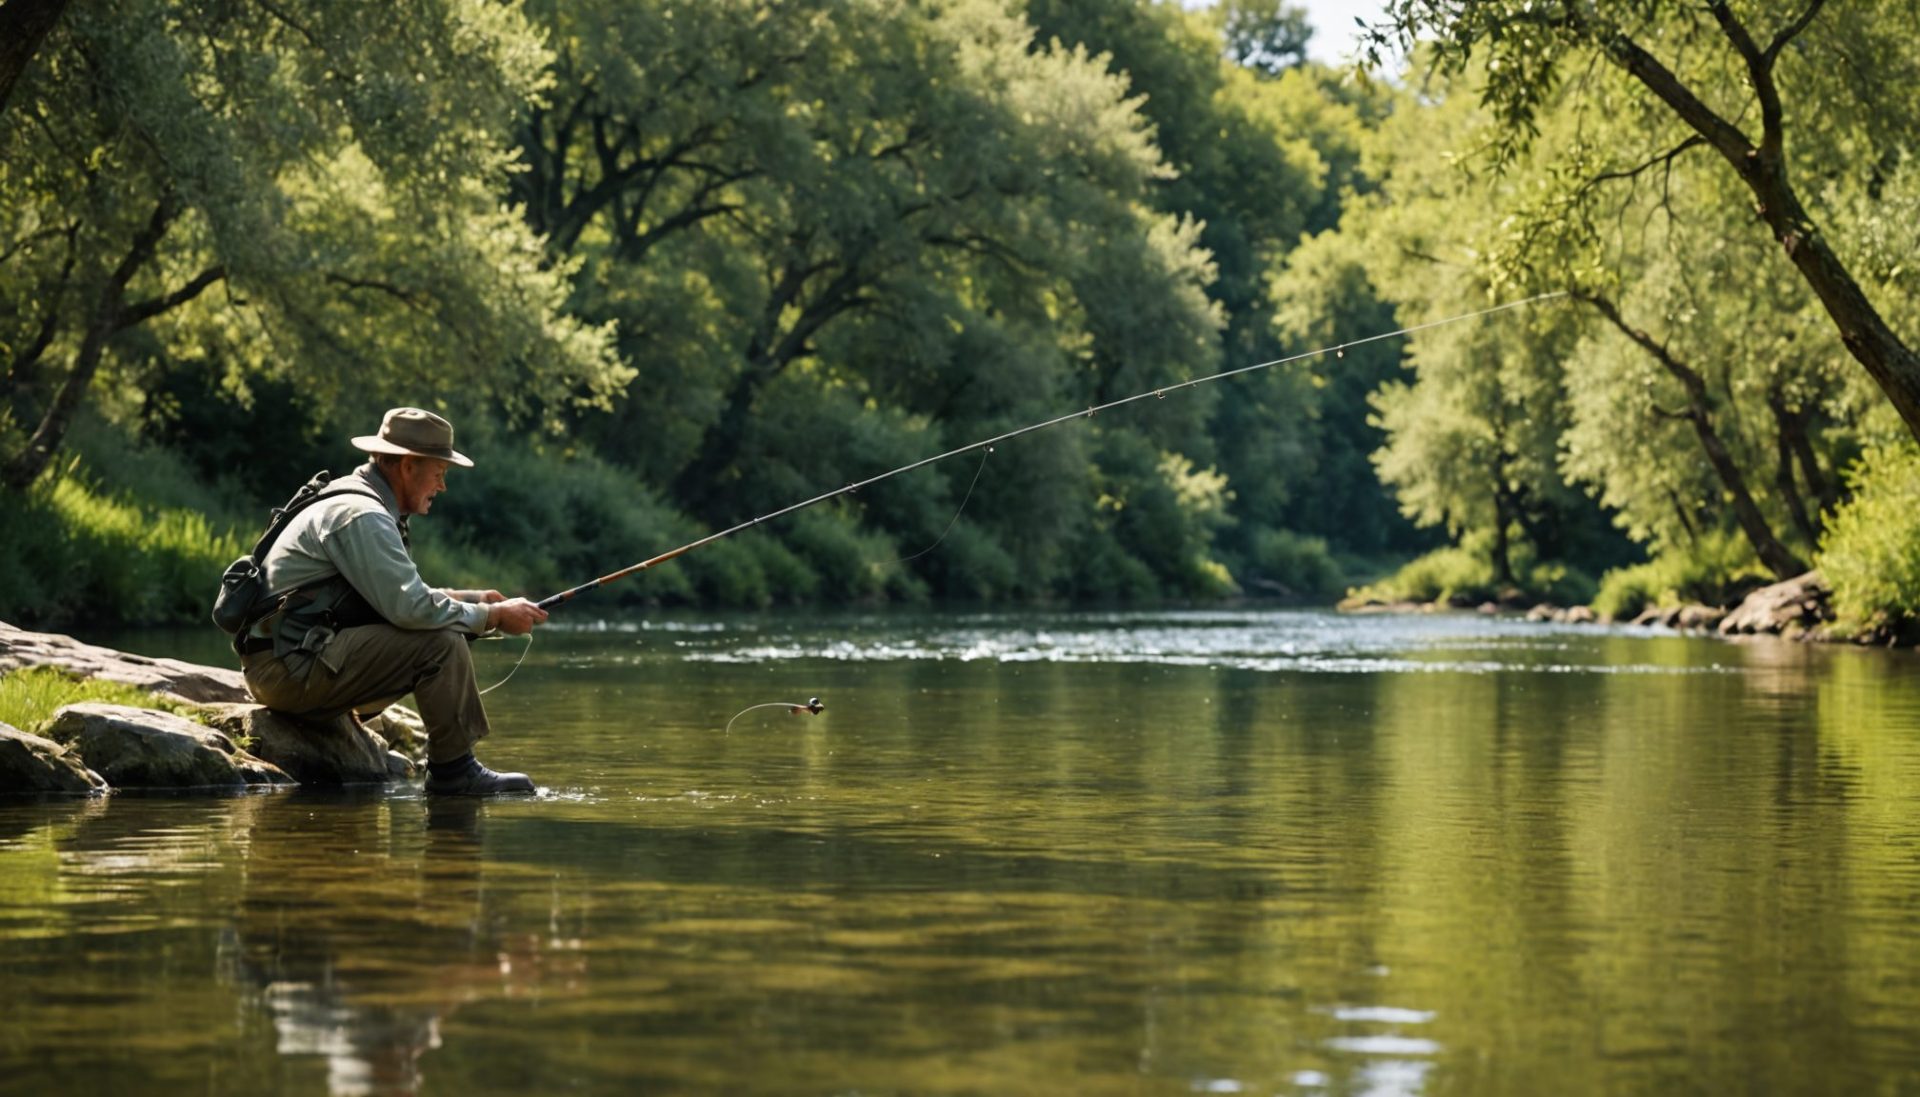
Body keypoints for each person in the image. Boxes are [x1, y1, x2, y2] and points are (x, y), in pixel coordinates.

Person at [239, 407, 548, 795]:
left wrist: (473, 600)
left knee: (439, 629)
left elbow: (392, 596)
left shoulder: (357, 501)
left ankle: (447, 766)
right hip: (287, 673)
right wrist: (493, 616)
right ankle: (455, 773)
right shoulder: (362, 515)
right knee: (440, 644)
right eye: (439, 473)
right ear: (408, 467)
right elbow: (411, 609)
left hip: (287, 663)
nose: (442, 486)